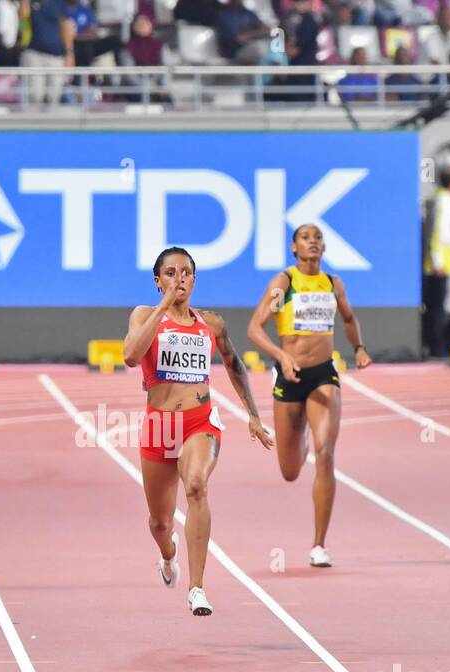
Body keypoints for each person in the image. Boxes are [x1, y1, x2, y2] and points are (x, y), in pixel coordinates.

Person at [123, 247, 274, 615]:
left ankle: (197, 588)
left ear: (194, 279)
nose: (180, 279)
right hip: (161, 426)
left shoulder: (211, 323)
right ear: (158, 281)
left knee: (195, 485)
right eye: (171, 273)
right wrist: (162, 309)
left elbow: (235, 364)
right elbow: (129, 356)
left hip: (199, 421)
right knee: (160, 523)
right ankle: (168, 554)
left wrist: (252, 415)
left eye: (187, 272)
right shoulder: (144, 315)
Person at [246, 224, 371, 569]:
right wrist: (281, 355)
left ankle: (319, 544)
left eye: (317, 238)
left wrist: (358, 347)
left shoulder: (332, 284)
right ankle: (299, 434)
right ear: (294, 248)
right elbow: (255, 328)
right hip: (290, 376)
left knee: (326, 453)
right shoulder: (283, 284)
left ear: (324, 247)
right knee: (289, 471)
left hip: (322, 375)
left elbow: (348, 318)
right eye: (305, 237)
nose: (313, 241)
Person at [422, 166, 450, 358]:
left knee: (445, 306)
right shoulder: (442, 202)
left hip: (447, 262)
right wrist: (437, 261)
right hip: (439, 265)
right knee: (436, 307)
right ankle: (435, 346)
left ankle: (442, 343)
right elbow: (437, 234)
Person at [20, 0, 73, 104]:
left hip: (56, 55)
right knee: (35, 96)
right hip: (33, 53)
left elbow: (66, 26)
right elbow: (21, 15)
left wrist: (69, 54)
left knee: (54, 97)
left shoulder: (60, 3)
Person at [215, 0, 270, 65]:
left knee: (268, 46)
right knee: (259, 49)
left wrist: (251, 34)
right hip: (236, 53)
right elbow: (239, 39)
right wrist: (256, 34)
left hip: (253, 46)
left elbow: (267, 30)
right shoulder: (225, 16)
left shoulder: (248, 13)